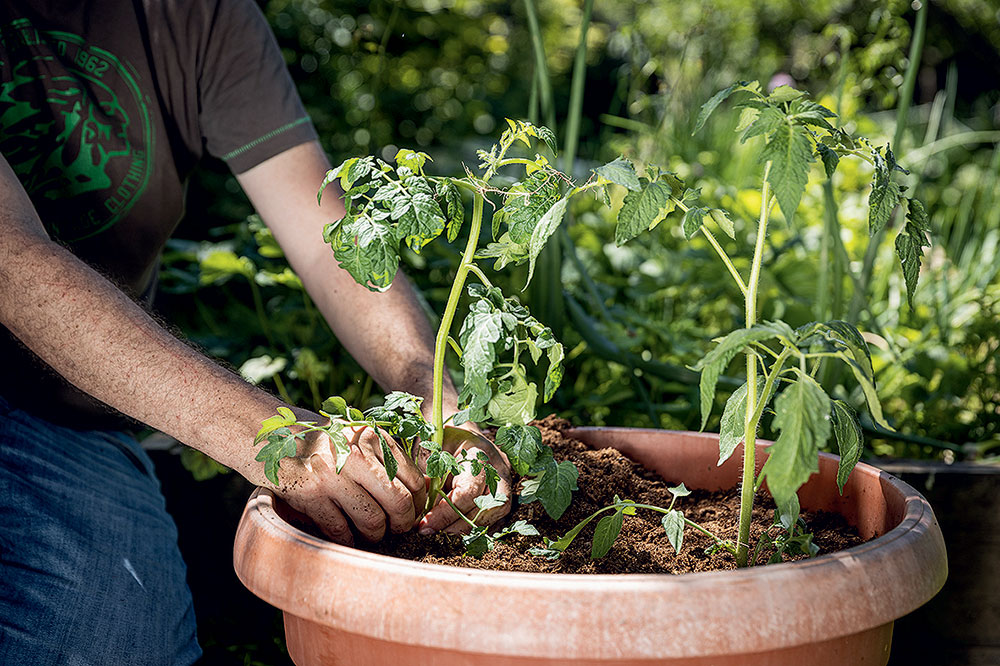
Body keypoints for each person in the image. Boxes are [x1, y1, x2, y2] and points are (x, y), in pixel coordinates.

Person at [0, 0, 511, 663]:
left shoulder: (202, 16)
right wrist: (277, 440)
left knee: (118, 645)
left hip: (61, 421)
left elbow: (331, 243)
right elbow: (11, 265)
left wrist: (436, 395)